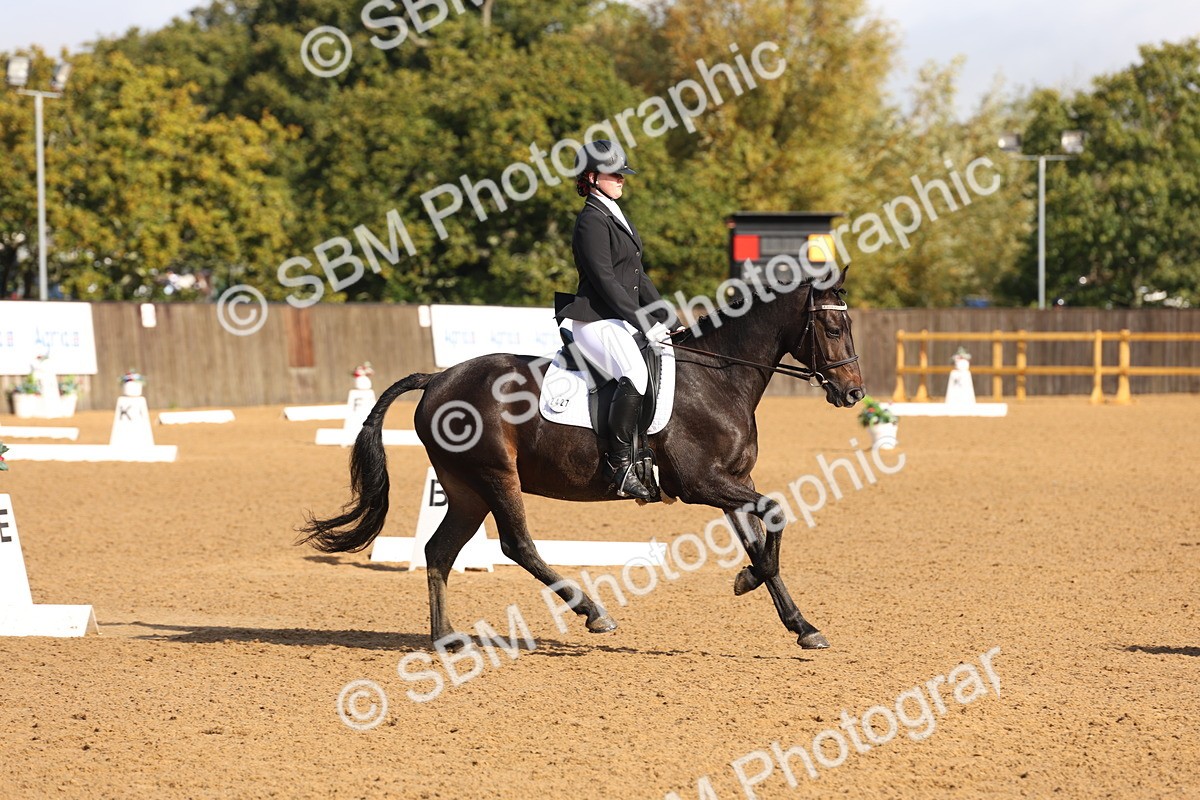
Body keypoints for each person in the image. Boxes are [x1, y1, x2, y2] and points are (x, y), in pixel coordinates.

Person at [555, 140, 674, 500]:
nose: (621, 179)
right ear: (591, 177)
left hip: (617, 320)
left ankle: (645, 455)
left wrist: (668, 318)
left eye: (622, 174)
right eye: (614, 174)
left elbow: (638, 276)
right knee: (634, 373)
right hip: (593, 321)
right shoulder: (591, 220)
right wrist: (643, 321)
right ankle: (620, 466)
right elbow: (605, 280)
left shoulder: (615, 214)